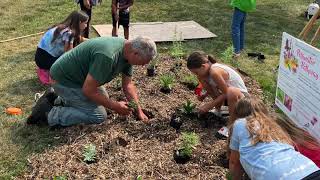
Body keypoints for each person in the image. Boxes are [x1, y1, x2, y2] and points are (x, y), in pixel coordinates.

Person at [27, 36, 157, 127]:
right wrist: (115, 106)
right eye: (143, 62)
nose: (143, 66)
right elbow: (88, 90)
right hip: (64, 80)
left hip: (78, 79)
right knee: (98, 115)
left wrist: (138, 110)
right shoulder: (108, 56)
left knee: (104, 99)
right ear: (135, 53)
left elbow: (128, 85)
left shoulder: (127, 53)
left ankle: (56, 98)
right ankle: (48, 114)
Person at [229, 97, 320, 180]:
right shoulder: (275, 125)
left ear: (238, 113)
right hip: (311, 169)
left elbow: (234, 162)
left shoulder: (240, 123)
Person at [186, 51, 248, 122]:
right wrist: (204, 95)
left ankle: (233, 123)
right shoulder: (204, 74)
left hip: (242, 99)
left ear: (203, 66)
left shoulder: (215, 72)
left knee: (231, 92)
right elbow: (207, 86)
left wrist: (209, 105)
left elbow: (226, 93)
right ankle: (219, 110)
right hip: (229, 98)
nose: (196, 75)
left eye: (196, 72)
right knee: (203, 80)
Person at [35, 10, 89, 85]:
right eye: (85, 23)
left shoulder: (63, 27)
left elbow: (79, 39)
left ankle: (45, 70)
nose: (86, 26)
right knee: (72, 64)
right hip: (45, 60)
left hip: (40, 57)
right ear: (79, 22)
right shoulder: (69, 33)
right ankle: (48, 72)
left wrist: (93, 41)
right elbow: (69, 53)